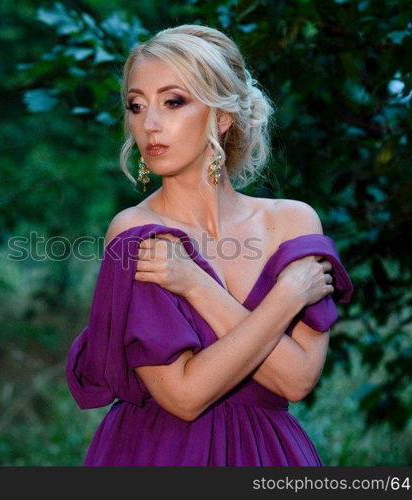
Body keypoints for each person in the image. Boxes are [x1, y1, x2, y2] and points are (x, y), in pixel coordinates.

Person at [65, 24, 354, 466]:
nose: (150, 124)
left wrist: (197, 286)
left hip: (270, 456)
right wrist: (287, 296)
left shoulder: (294, 220)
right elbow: (183, 395)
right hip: (160, 454)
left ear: (222, 116)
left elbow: (296, 381)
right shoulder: (135, 230)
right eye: (136, 106)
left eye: (173, 101)